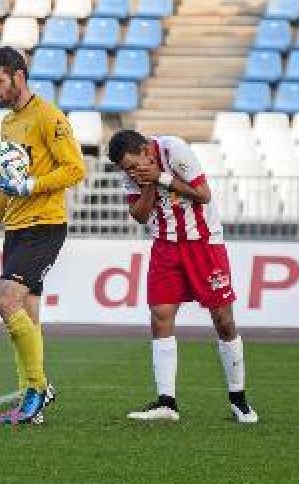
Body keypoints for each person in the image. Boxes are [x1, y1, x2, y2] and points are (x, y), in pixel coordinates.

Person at [0, 46, 86, 425]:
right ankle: (30, 402)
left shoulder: (49, 117)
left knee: (5, 299)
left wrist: (33, 185)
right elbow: (6, 184)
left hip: (44, 225)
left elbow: (75, 169)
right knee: (27, 314)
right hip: (16, 228)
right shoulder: (8, 125)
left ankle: (38, 389)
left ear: (19, 76)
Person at [107, 129, 258, 423]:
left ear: (146, 150)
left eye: (134, 166)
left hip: (203, 242)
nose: (131, 172)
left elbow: (203, 195)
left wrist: (161, 178)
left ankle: (239, 399)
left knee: (223, 319)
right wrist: (148, 185)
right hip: (164, 245)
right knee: (160, 315)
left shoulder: (174, 149)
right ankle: (167, 402)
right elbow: (138, 215)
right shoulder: (132, 173)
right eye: (126, 170)